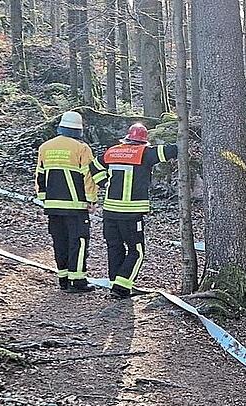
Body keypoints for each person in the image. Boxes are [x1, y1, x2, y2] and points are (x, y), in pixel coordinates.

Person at [91, 123, 177, 299]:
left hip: (109, 212)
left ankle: (115, 282)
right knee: (136, 250)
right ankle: (122, 287)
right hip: (131, 213)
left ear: (127, 138)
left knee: (114, 248)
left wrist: (104, 183)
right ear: (143, 141)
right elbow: (170, 151)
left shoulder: (112, 151)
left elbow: (93, 166)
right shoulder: (145, 153)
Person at [35, 111, 97, 293]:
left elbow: (39, 175)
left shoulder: (45, 147)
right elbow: (88, 176)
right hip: (76, 206)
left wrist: (44, 199)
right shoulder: (81, 148)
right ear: (79, 130)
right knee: (78, 242)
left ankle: (63, 279)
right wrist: (91, 200)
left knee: (59, 241)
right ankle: (77, 281)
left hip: (52, 206)